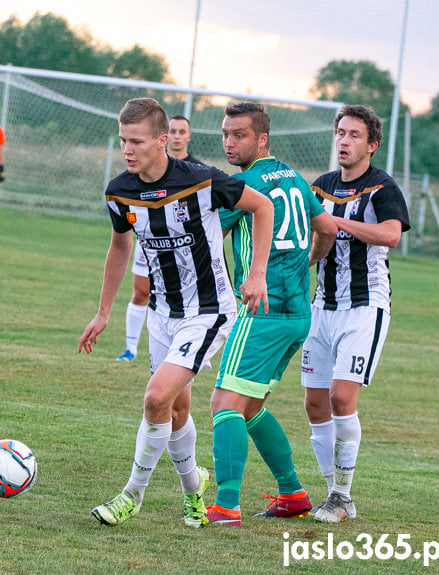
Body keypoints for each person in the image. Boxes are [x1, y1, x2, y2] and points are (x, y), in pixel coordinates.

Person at [78, 97, 274, 528]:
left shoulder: (202, 180)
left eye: (137, 141)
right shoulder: (119, 191)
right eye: (123, 140)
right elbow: (119, 246)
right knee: (176, 410)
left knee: (154, 397)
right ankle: (193, 496)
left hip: (209, 312)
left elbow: (263, 207)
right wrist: (103, 311)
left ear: (163, 140)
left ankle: (131, 495)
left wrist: (256, 273)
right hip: (162, 314)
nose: (127, 150)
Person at [207, 103, 337, 526]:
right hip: (298, 312)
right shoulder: (295, 178)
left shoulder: (244, 184)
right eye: (226, 133)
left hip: (261, 311)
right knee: (248, 407)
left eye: (239, 134)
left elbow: (209, 230)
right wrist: (305, 264)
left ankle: (226, 504)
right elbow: (329, 230)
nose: (229, 141)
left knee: (223, 402)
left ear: (262, 138)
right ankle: (293, 493)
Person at [301, 104, 410, 523]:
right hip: (321, 308)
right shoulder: (322, 186)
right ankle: (334, 494)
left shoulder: (382, 188)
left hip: (365, 307)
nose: (344, 141)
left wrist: (335, 224)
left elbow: (390, 235)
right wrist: (306, 259)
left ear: (372, 144)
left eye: (354, 135)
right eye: (340, 133)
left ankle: (342, 495)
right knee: (315, 405)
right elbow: (320, 240)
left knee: (341, 397)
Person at [117, 115, 204, 364]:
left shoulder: (197, 171)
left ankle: (182, 350)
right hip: (150, 244)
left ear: (188, 136)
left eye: (181, 131)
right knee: (141, 292)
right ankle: (130, 349)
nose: (177, 136)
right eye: (173, 131)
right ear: (163, 137)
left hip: (182, 248)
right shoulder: (144, 169)